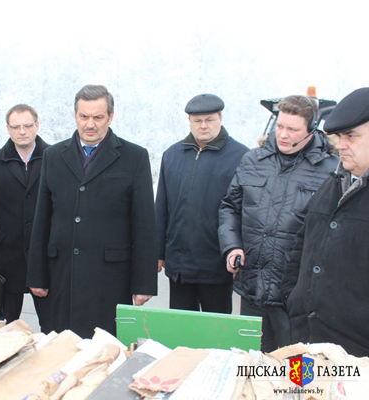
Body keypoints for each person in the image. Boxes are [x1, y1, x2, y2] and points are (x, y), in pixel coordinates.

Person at [27, 84, 157, 338]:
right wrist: (37, 274)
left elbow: (144, 224)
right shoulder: (53, 155)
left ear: (110, 116)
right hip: (63, 275)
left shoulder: (134, 157)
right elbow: (42, 218)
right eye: (84, 116)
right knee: (64, 346)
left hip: (110, 278)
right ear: (75, 115)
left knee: (105, 348)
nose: (90, 124)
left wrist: (144, 282)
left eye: (98, 117)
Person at [218, 95, 338, 352]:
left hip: (295, 298)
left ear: (311, 130)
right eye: (280, 126)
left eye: (293, 129)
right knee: (253, 363)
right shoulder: (253, 160)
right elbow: (230, 207)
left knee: (296, 368)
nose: (283, 135)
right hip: (252, 288)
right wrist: (232, 246)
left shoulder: (331, 169)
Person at [281, 88, 369, 357]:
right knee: (300, 385)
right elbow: (302, 243)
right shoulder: (331, 184)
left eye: (351, 136)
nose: (340, 145)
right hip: (305, 338)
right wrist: (293, 295)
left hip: (356, 353)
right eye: (339, 137)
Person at [156, 94, 248, 314]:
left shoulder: (242, 157)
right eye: (197, 120)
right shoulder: (172, 155)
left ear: (220, 119)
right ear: (189, 121)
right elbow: (161, 208)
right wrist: (158, 252)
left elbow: (245, 212)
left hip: (217, 266)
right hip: (179, 266)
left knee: (216, 331)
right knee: (179, 329)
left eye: (210, 120)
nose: (203, 126)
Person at [0, 104, 52, 332]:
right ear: (8, 129)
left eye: (27, 125)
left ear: (37, 125)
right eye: (16, 127)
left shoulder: (54, 157)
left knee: (51, 325)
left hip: (45, 254)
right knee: (6, 326)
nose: (22, 131)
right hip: (7, 255)